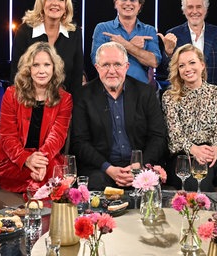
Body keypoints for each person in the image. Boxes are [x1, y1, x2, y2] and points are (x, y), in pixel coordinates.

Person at [71, 42, 167, 190]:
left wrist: (139, 165)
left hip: (139, 166)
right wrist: (108, 168)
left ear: (126, 66)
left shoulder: (145, 93)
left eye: (117, 64)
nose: (112, 71)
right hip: (101, 168)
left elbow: (158, 136)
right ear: (97, 68)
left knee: (148, 188)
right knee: (96, 183)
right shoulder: (83, 95)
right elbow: (80, 142)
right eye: (105, 65)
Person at [0, 42, 72, 193]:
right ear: (28, 69)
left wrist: (40, 162)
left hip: (46, 159)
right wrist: (26, 159)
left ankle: (40, 206)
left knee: (53, 174)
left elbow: (58, 136)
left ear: (54, 68)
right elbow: (8, 135)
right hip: (12, 160)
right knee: (50, 182)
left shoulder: (64, 99)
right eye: (36, 65)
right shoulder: (12, 94)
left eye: (47, 65)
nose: (42, 71)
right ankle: (38, 206)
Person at [162, 44, 217, 192]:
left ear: (202, 65)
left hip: (213, 154)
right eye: (182, 65)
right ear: (178, 70)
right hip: (183, 155)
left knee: (202, 174)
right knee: (195, 179)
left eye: (192, 63)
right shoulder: (170, 97)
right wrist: (194, 150)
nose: (187, 69)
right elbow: (174, 136)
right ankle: (194, 213)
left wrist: (214, 151)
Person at [155, 0, 217, 111]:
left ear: (206, 9)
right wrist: (168, 52)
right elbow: (167, 73)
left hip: (214, 103)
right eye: (190, 7)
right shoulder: (173, 34)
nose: (194, 11)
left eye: (199, 7)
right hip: (183, 102)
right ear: (184, 10)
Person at [11, 0, 83, 98]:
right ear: (41, 3)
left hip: (64, 106)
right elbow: (16, 73)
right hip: (29, 102)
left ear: (66, 6)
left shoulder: (75, 33)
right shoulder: (24, 31)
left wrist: (75, 111)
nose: (55, 3)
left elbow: (77, 75)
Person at [90, 0, 161, 84]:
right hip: (109, 90)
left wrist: (125, 45)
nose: (128, 3)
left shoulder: (149, 30)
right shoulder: (102, 28)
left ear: (139, 5)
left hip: (141, 92)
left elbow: (154, 62)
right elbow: (97, 61)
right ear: (115, 3)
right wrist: (133, 48)